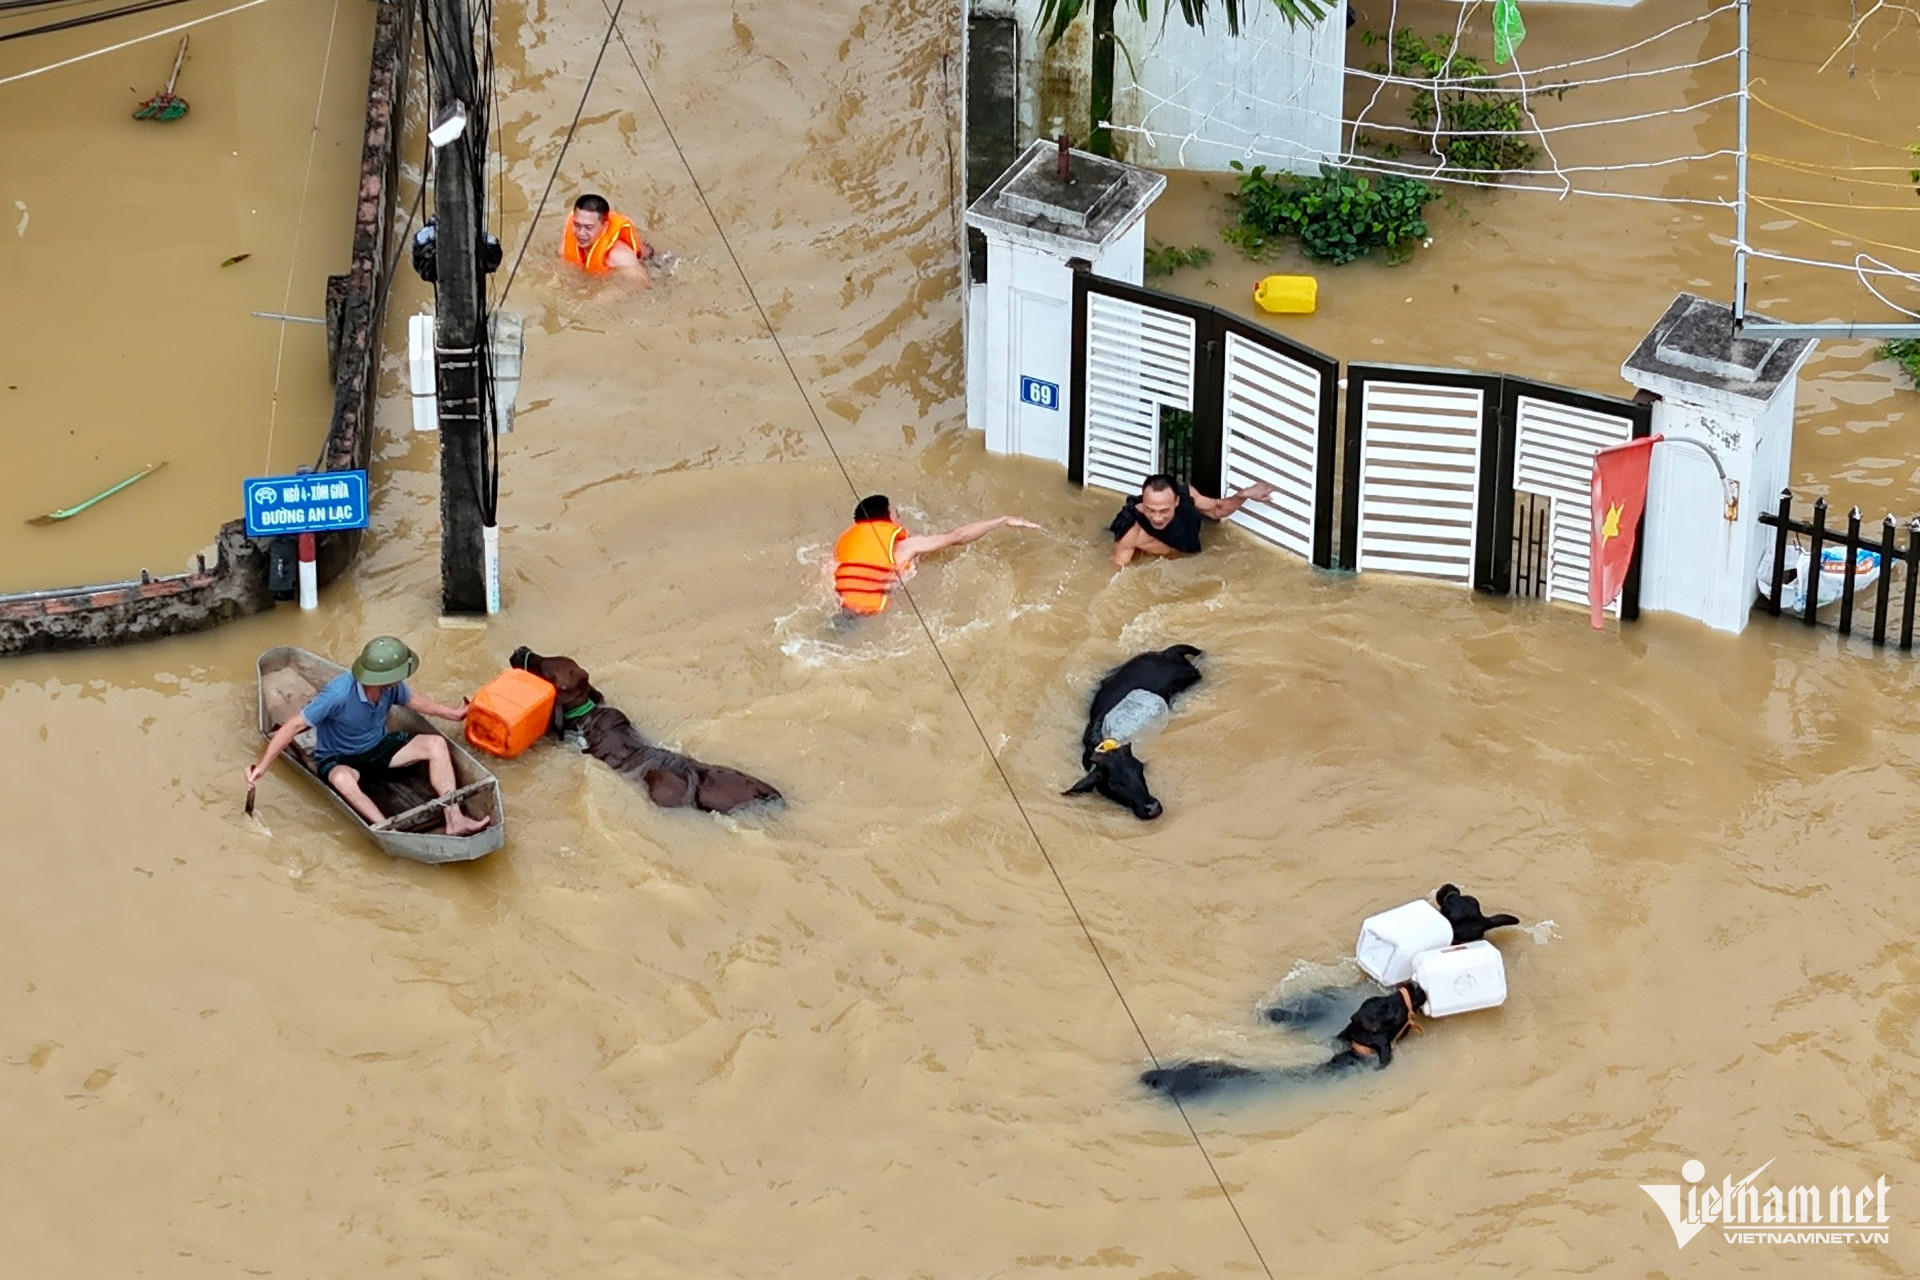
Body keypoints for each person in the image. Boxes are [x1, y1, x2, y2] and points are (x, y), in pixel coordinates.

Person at [245, 637, 492, 837]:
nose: (401, 679)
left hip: (377, 748)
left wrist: (453, 713)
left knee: (436, 744)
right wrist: (262, 768)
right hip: (339, 758)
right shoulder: (338, 694)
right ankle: (388, 829)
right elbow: (292, 726)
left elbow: (413, 701)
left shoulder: (391, 687)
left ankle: (454, 818)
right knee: (341, 779)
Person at [832, 494, 1041, 616]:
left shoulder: (842, 552)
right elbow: (958, 536)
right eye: (896, 513)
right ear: (887, 520)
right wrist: (1003, 520)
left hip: (841, 613)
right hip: (873, 616)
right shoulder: (905, 547)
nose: (900, 517)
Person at [1108, 473, 1280, 569]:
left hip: (1190, 558)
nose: (1157, 517)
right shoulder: (1131, 531)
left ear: (1176, 502)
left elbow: (1217, 510)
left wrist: (1244, 495)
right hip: (1168, 565)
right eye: (1150, 510)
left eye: (1164, 511)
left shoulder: (1187, 495)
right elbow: (1118, 571)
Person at [560, 193, 654, 278]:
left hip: (651, 265)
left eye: (588, 227)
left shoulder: (620, 256)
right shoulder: (569, 237)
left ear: (604, 226)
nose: (581, 233)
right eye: (577, 225)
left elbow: (641, 284)